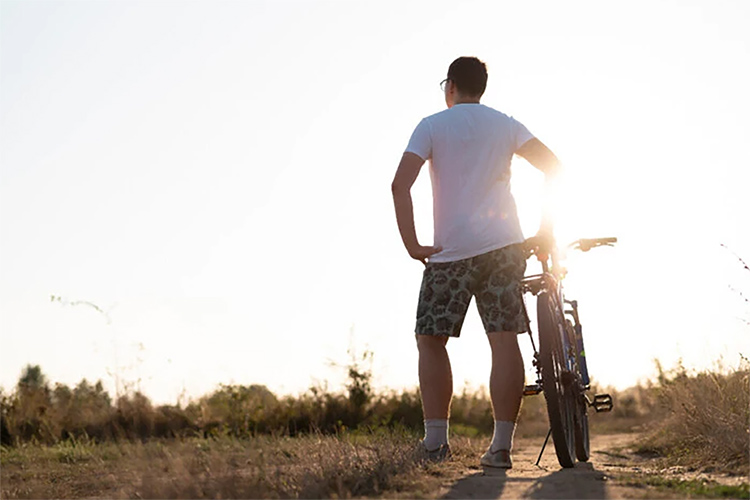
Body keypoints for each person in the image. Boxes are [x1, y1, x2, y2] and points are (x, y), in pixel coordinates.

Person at [391, 56, 561, 468]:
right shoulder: (505, 123)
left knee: (431, 340)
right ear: (481, 87)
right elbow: (553, 167)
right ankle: (500, 447)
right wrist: (545, 228)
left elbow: (400, 185)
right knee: (504, 338)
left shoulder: (431, 125)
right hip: (504, 246)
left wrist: (413, 244)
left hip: (449, 252)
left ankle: (435, 443)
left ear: (450, 86)